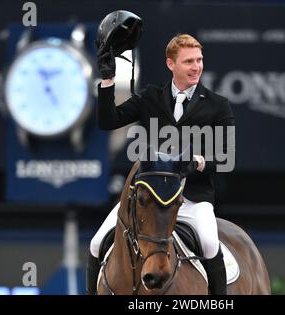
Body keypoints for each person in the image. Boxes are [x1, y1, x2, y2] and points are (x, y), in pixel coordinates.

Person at [87, 33, 235, 295]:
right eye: (189, 61)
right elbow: (108, 121)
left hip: (191, 198)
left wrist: (199, 161)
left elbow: (226, 157)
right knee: (97, 243)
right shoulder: (150, 97)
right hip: (146, 197)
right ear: (171, 64)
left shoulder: (217, 106)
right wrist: (108, 80)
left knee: (211, 244)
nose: (196, 67)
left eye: (199, 60)